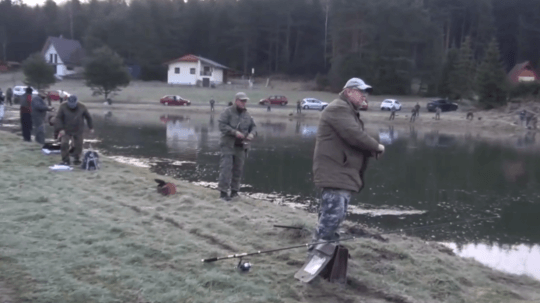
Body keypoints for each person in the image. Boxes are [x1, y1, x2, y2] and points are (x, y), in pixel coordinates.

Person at [312, 78, 385, 243]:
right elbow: (355, 136)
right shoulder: (338, 108)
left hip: (342, 175)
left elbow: (357, 136)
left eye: (365, 94)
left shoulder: (347, 110)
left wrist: (371, 146)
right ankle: (317, 260)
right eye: (361, 92)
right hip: (336, 175)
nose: (364, 97)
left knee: (333, 221)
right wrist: (378, 147)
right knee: (329, 224)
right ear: (349, 91)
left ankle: (327, 258)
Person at [217, 92, 257, 201]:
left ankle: (234, 192)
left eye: (245, 101)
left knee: (238, 169)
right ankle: (223, 193)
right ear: (236, 100)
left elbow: (254, 127)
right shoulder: (227, 112)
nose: (244, 103)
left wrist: (252, 134)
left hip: (241, 147)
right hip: (228, 145)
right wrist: (234, 132)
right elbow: (221, 125)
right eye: (242, 101)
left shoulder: (247, 115)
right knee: (226, 168)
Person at [54, 95, 94, 165]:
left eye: (73, 104)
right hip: (66, 129)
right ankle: (65, 160)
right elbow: (58, 118)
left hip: (78, 129)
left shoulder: (82, 106)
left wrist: (91, 127)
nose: (71, 106)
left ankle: (77, 158)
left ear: (76, 102)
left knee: (79, 145)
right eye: (70, 104)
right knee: (64, 144)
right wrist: (60, 129)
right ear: (68, 102)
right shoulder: (63, 106)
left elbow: (88, 117)